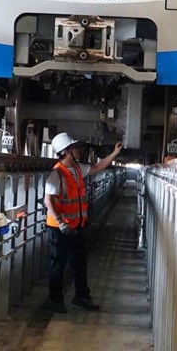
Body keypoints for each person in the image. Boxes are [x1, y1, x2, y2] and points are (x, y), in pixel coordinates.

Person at [43, 133, 123, 313]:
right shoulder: (57, 174)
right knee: (58, 263)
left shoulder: (77, 169)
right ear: (67, 151)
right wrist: (61, 222)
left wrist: (113, 154)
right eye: (76, 148)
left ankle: (82, 296)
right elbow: (48, 201)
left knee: (79, 261)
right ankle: (55, 300)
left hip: (75, 225)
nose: (80, 150)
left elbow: (97, 167)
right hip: (59, 228)